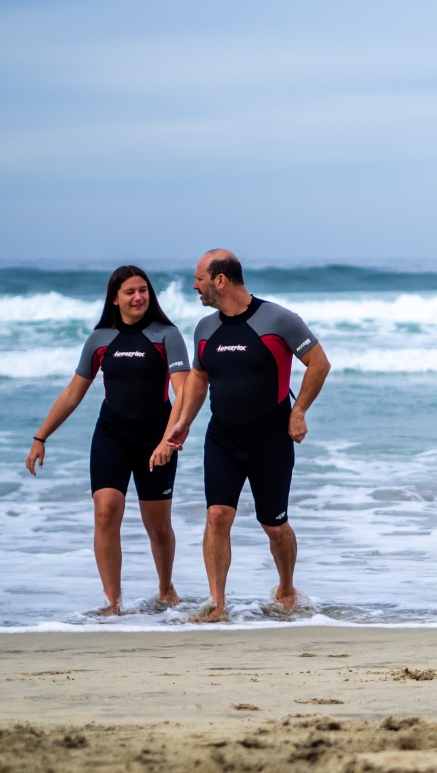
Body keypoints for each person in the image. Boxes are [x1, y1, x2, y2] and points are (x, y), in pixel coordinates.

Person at [165, 250, 331, 622]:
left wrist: (298, 412)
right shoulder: (205, 328)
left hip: (270, 438)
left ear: (220, 280)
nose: (194, 286)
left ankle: (286, 588)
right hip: (222, 437)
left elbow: (319, 363)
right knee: (217, 515)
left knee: (274, 525)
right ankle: (217, 603)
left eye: (199, 279)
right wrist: (184, 421)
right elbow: (199, 379)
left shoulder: (279, 319)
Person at [25, 266, 189, 615]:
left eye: (143, 290)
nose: (138, 297)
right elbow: (74, 392)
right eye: (130, 292)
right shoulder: (100, 339)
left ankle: (165, 588)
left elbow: (183, 391)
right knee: (105, 512)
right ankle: (113, 604)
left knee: (158, 527)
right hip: (112, 434)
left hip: (155, 439)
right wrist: (41, 436)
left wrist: (169, 439)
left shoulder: (167, 335)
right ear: (115, 298)